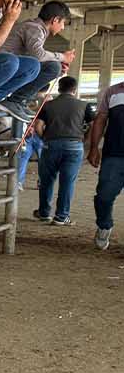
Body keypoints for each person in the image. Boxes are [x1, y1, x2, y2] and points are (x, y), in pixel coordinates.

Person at [31, 76, 91, 225]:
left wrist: (45, 138)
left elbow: (37, 125)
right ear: (75, 89)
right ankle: (61, 216)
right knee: (67, 182)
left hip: (51, 145)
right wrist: (85, 140)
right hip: (74, 146)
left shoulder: (48, 105)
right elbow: (94, 124)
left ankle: (44, 213)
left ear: (59, 88)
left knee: (46, 180)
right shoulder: (84, 105)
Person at [1, 0, 75, 105]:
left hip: (10, 65)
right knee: (53, 67)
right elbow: (38, 55)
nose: (63, 27)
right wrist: (62, 57)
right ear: (55, 20)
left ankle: (19, 102)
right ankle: (15, 101)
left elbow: (36, 58)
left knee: (50, 74)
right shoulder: (35, 28)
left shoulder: (36, 28)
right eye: (63, 22)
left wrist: (59, 68)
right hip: (4, 66)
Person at [87, 77, 124, 249]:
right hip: (114, 154)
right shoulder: (113, 91)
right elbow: (100, 119)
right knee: (104, 196)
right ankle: (104, 225)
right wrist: (94, 148)